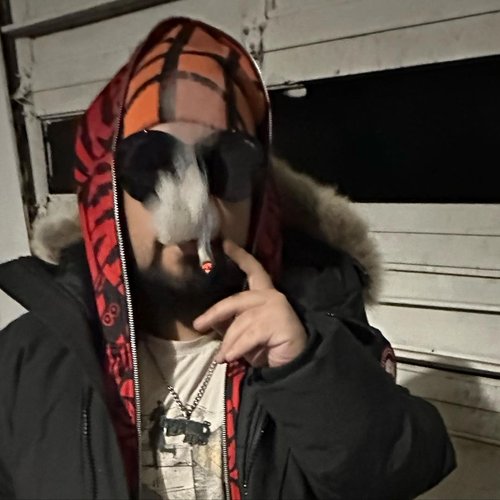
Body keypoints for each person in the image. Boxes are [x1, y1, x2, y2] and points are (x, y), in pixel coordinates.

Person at [0, 16, 455, 500]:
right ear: (106, 193)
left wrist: (304, 368)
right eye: (152, 163)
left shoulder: (324, 332)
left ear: (260, 199)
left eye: (227, 163)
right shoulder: (26, 360)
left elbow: (402, 472)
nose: (193, 201)